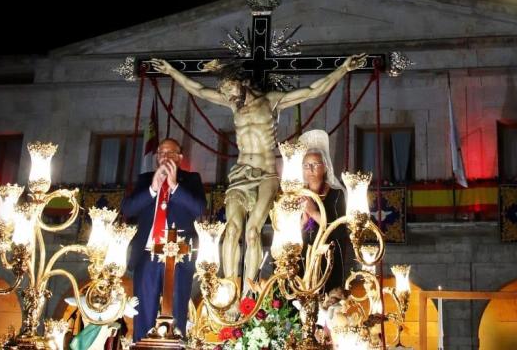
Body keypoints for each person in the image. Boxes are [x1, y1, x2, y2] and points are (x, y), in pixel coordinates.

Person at [150, 54, 366, 292]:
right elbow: (199, 90)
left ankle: (249, 290)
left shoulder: (271, 101)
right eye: (225, 92)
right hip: (241, 173)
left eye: (230, 89)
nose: (228, 96)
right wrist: (172, 72)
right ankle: (229, 288)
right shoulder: (234, 103)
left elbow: (313, 90)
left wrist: (343, 69)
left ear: (241, 83)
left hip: (266, 173)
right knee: (231, 230)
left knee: (253, 231)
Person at [121, 138, 206, 342]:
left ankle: (176, 345)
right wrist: (153, 188)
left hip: (179, 256)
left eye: (170, 153)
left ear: (179, 157)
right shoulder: (145, 180)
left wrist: (174, 186)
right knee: (144, 313)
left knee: (177, 313)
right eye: (161, 153)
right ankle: (142, 344)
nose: (165, 157)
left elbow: (199, 209)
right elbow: (128, 209)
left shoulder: (191, 179)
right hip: (148, 253)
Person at [298, 129, 351, 293]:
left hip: (329, 255)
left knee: (329, 299)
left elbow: (340, 229)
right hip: (303, 253)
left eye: (315, 164)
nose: (310, 169)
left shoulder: (336, 194)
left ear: (325, 167)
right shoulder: (298, 195)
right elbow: (287, 230)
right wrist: (303, 221)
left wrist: (314, 212)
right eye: (306, 165)